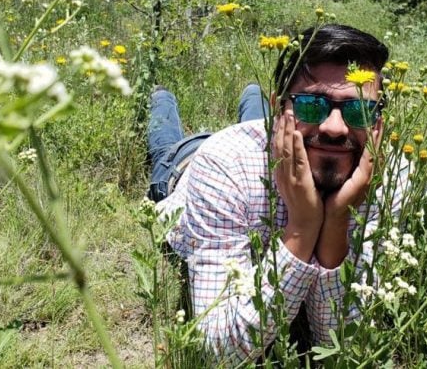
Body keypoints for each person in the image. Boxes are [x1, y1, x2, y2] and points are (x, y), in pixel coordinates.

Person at [154, 24, 395, 363]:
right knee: (167, 140)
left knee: (288, 130)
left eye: (359, 111)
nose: (336, 127)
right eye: (312, 105)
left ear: (377, 124)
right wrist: (303, 226)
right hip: (184, 166)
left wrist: (337, 219)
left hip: (272, 145)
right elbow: (218, 355)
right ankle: (161, 98)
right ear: (279, 111)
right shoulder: (223, 163)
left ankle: (256, 98)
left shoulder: (390, 179)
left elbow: (344, 348)